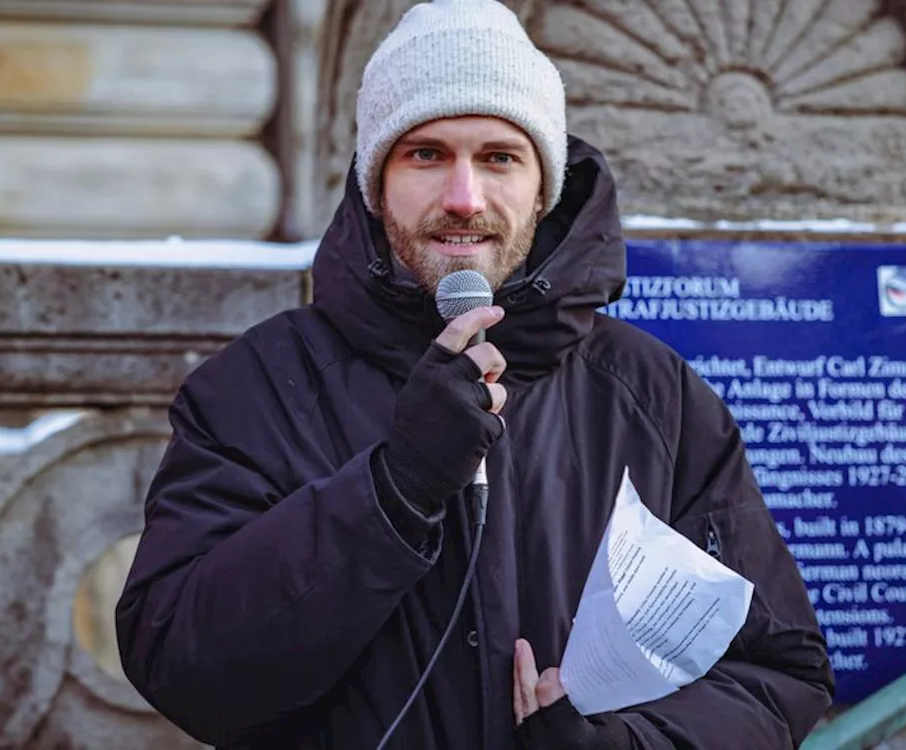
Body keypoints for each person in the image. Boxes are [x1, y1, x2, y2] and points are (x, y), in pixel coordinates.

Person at [115, 0, 834, 747]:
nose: (464, 198)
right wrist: (393, 491)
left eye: (499, 157)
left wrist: (623, 746)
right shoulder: (257, 387)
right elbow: (180, 665)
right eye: (426, 154)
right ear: (376, 181)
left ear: (542, 186)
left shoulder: (656, 397)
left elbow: (777, 674)